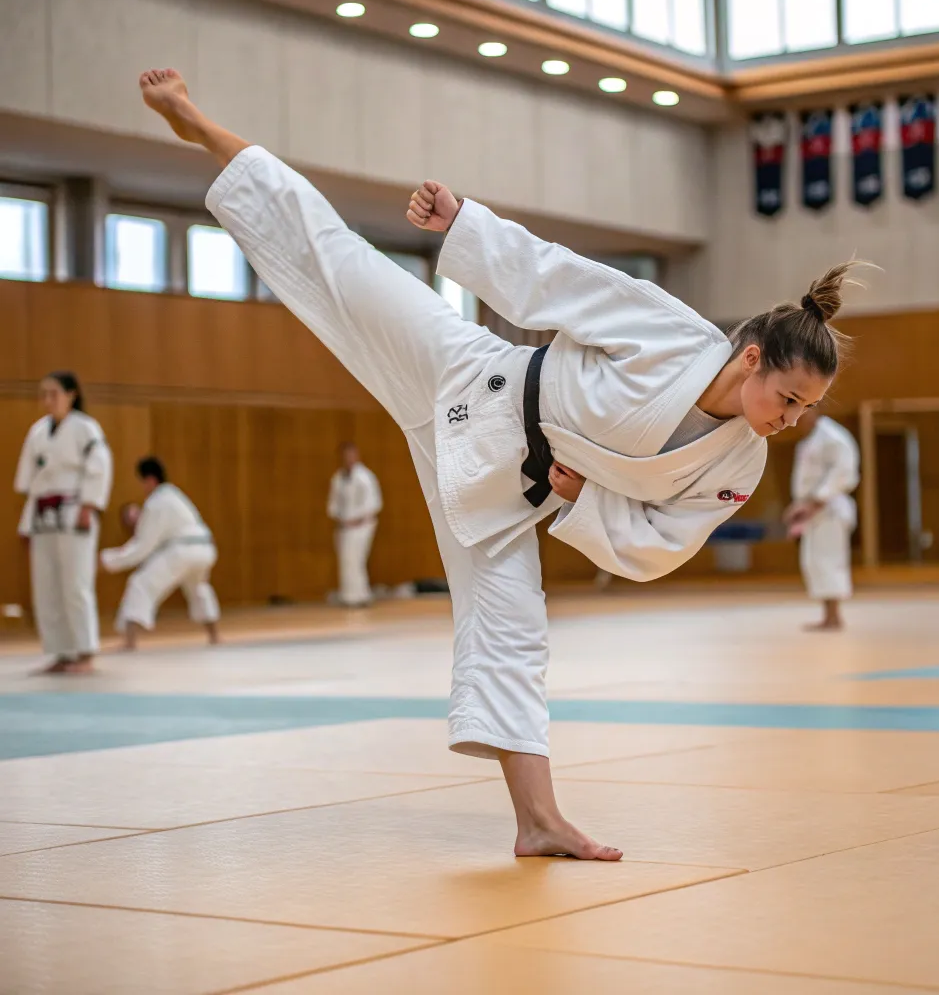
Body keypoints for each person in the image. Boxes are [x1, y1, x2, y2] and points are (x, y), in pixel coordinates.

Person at [139, 67, 854, 860]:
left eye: (804, 411)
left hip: (509, 492)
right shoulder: (672, 332)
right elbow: (562, 281)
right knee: (339, 258)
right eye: (787, 397)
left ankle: (539, 822)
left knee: (514, 631)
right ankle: (200, 125)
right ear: (751, 358)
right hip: (468, 375)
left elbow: (663, 543)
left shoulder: (741, 465)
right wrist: (464, 227)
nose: (789, 420)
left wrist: (584, 507)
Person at [14, 371, 112, 674]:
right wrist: (26, 524)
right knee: (47, 586)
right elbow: (31, 483)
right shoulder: (38, 432)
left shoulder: (86, 428)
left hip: (74, 511)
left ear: (71, 394)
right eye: (43, 394)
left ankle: (85, 652)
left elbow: (99, 468)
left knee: (75, 584)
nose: (48, 400)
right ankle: (60, 651)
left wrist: (89, 506)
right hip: (43, 514)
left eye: (54, 393)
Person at [100, 457, 220, 651]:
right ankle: (214, 635)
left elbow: (142, 547)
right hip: (205, 548)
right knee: (199, 588)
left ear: (149, 480)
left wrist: (107, 561)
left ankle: (130, 641)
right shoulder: (175, 495)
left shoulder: (156, 502)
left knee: (140, 583)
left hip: (183, 550)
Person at [784, 410, 860, 630]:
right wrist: (801, 505)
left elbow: (843, 473)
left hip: (829, 509)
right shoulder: (813, 439)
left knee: (829, 560)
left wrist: (814, 502)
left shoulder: (833, 437)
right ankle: (828, 615)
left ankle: (834, 616)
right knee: (815, 562)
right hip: (814, 510)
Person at [327, 442, 382, 607]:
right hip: (344, 525)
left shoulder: (365, 477)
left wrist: (357, 519)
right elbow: (333, 505)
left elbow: (374, 503)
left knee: (356, 559)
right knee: (346, 560)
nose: (349, 458)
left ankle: (360, 595)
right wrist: (341, 518)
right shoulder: (339, 477)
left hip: (363, 525)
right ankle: (348, 595)